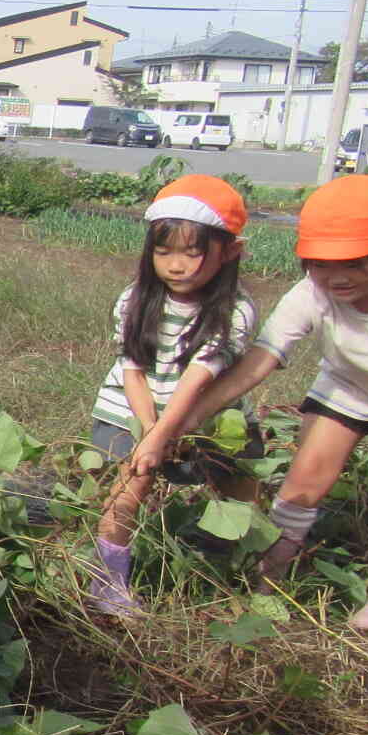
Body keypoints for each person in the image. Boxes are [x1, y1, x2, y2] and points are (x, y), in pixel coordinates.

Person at [131, 175, 368, 630]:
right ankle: (269, 581)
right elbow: (259, 361)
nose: (336, 276)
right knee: (304, 480)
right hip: (348, 388)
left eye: (356, 263)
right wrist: (191, 418)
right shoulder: (312, 293)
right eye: (319, 263)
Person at [85, 176, 259, 615]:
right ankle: (105, 581)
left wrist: (168, 431)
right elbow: (132, 369)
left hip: (204, 415)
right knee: (133, 481)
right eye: (163, 252)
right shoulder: (134, 300)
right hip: (130, 411)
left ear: (231, 252)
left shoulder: (236, 311)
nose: (176, 265)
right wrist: (150, 432)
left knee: (241, 481)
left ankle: (222, 562)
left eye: (192, 252)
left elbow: (201, 376)